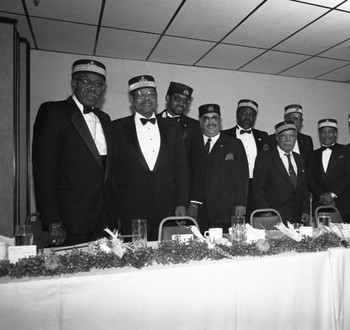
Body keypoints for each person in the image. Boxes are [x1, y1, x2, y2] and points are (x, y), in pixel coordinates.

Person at [32, 59, 115, 246]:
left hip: (103, 220)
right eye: (86, 81)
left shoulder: (105, 119)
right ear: (73, 84)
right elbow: (44, 171)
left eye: (98, 84)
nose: (93, 88)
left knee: (105, 273)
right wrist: (53, 221)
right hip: (70, 221)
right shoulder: (54, 112)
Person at [111, 75, 189, 240]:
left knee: (167, 256)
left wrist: (181, 202)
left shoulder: (172, 127)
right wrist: (114, 209)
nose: (146, 99)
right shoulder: (116, 128)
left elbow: (180, 167)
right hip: (131, 207)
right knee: (135, 256)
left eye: (151, 94)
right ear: (132, 99)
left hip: (166, 205)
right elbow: (112, 171)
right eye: (140, 94)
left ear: (157, 98)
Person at [189, 104, 249, 232]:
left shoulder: (234, 144)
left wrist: (241, 203)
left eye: (214, 118)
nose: (210, 122)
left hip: (226, 208)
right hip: (199, 210)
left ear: (220, 121)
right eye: (206, 118)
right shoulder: (192, 144)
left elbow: (242, 175)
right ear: (200, 122)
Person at [221, 99, 270, 221]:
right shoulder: (224, 136)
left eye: (251, 115)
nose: (248, 117)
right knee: (234, 226)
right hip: (233, 190)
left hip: (258, 190)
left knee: (257, 226)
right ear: (237, 114)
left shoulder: (263, 136)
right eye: (244, 113)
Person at [254, 120, 310, 224]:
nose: (288, 139)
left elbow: (304, 188)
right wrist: (266, 211)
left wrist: (306, 210)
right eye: (284, 136)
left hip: (297, 218)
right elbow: (258, 188)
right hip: (274, 216)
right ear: (277, 138)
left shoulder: (300, 159)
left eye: (292, 136)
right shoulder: (265, 157)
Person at [308, 119, 350, 223]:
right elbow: (309, 179)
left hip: (344, 205)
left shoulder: (347, 150)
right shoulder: (312, 155)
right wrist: (322, 195)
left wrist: (332, 195)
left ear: (336, 134)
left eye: (330, 132)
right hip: (320, 205)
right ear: (319, 134)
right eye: (323, 132)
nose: (326, 135)